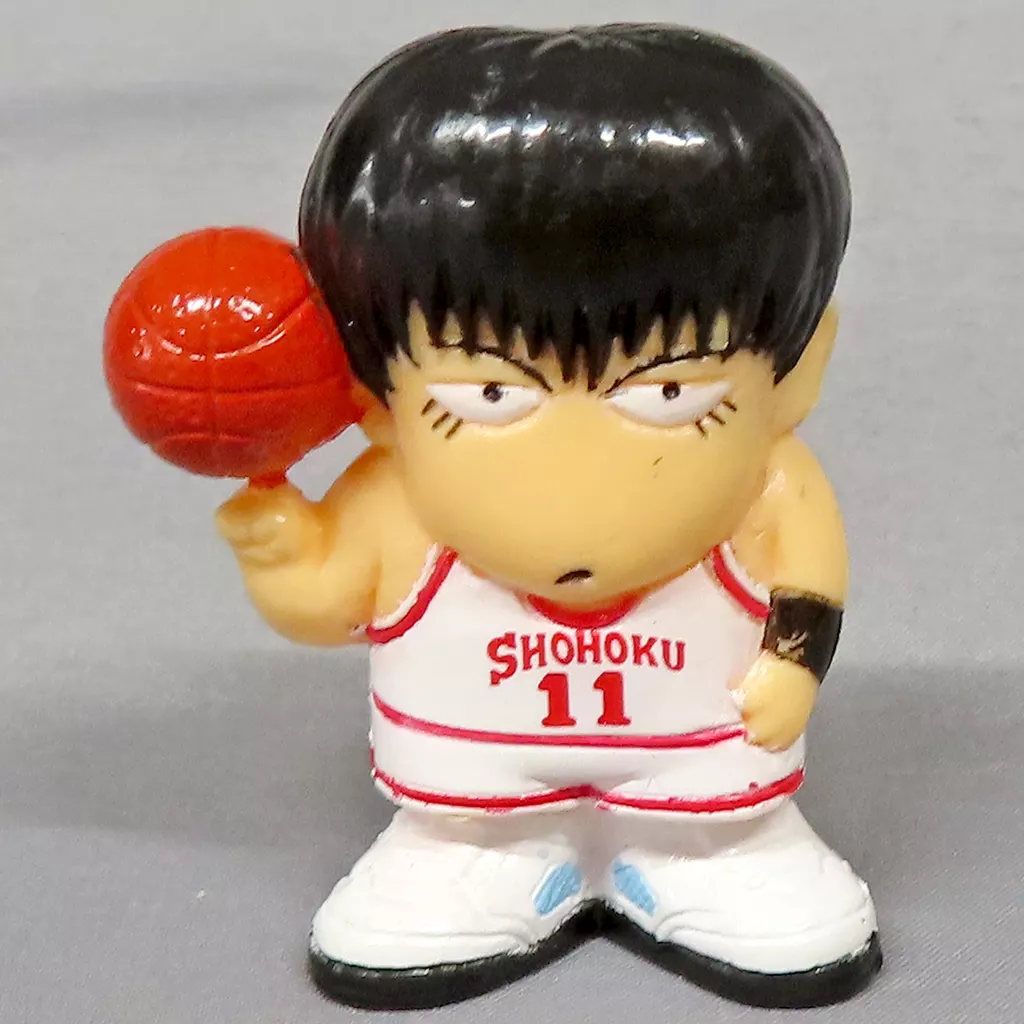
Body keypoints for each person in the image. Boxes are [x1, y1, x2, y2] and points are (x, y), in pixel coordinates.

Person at [216, 24, 881, 1010]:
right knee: (470, 826)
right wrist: (283, 555)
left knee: (719, 820)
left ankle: (709, 853)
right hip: (479, 771)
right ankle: (485, 853)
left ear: (794, 375)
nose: (578, 467)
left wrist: (790, 663)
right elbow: (327, 601)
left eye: (668, 393)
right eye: (489, 394)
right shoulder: (393, 500)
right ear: (371, 389)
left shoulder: (772, 488)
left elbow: (808, 585)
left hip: (698, 762)